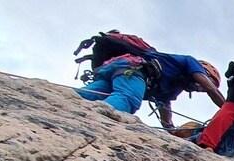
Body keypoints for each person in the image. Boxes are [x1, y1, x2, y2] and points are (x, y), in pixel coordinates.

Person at [75, 39, 223, 120]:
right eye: (207, 81)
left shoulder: (173, 87)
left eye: (202, 91)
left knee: (92, 93)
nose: (201, 89)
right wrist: (229, 110)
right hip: (134, 71)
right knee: (128, 98)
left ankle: (69, 100)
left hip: (116, 67)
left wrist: (171, 129)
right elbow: (211, 89)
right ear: (204, 71)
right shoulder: (190, 62)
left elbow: (165, 109)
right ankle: (96, 118)